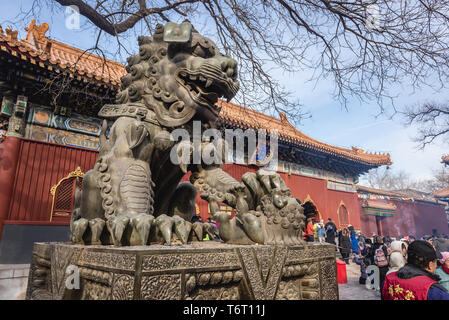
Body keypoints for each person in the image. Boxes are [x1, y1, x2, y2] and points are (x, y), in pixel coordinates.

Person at [382, 240, 449, 300]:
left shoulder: (388, 279)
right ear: (430, 265)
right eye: (436, 262)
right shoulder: (433, 291)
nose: (436, 265)